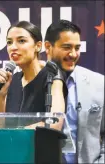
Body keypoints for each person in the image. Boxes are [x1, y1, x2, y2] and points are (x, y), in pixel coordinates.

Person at [44, 19, 104, 163]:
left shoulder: (99, 83)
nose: (73, 54)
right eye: (66, 47)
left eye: (77, 48)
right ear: (48, 47)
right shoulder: (32, 83)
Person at [0, 21, 67, 129]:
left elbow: (55, 123)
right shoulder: (12, 80)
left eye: (21, 41)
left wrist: (17, 133)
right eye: (9, 42)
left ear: (38, 46)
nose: (13, 47)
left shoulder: (51, 76)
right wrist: (0, 96)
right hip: (12, 145)